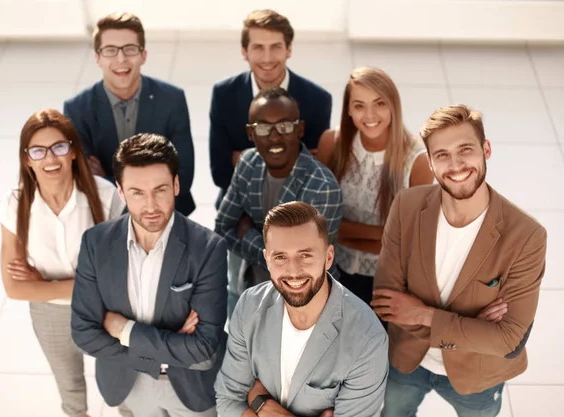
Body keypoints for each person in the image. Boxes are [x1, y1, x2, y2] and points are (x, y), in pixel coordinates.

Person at [371, 104, 547, 417]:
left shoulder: (527, 236)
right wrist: (475, 327)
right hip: (408, 360)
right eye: (442, 155)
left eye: (465, 149)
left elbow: (507, 338)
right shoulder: (407, 206)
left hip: (478, 375)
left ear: (486, 149)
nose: (456, 165)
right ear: (430, 162)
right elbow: (387, 303)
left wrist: (424, 315)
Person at [71, 133, 228, 417]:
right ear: (120, 191)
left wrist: (126, 331)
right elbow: (84, 334)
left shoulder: (208, 249)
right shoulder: (95, 244)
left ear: (176, 185)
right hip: (128, 383)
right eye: (137, 193)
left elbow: (204, 349)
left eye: (160, 189)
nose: (151, 206)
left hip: (191, 389)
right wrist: (167, 347)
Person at [0, 109, 126, 417]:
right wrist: (88, 284)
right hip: (50, 317)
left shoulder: (106, 196)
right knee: (70, 392)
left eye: (59, 147)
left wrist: (42, 284)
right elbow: (14, 287)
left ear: (72, 152)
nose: (50, 159)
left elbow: (119, 277)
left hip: (106, 311)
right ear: (27, 159)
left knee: (122, 388)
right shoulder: (17, 203)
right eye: (38, 151)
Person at [215, 201, 388, 417]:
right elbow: (228, 400)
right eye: (280, 257)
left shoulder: (367, 338)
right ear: (267, 260)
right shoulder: (249, 305)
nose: (293, 271)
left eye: (305, 255)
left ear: (328, 258)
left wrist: (259, 400)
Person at [215, 87, 342, 318]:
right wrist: (280, 254)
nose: (274, 136)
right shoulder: (247, 162)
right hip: (250, 291)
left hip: (307, 306)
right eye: (264, 128)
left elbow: (308, 269)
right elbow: (223, 228)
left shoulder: (323, 187)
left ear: (299, 129)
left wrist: (247, 234)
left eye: (284, 126)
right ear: (250, 133)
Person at [317, 67, 434, 306]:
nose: (370, 115)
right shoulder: (331, 143)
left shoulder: (418, 161)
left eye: (379, 103)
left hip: (387, 278)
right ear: (348, 109)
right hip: (333, 268)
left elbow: (406, 240)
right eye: (359, 105)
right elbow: (318, 221)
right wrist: (380, 234)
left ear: (393, 105)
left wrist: (342, 233)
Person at [64, 12, 196, 216]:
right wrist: (155, 182)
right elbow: (86, 182)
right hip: (107, 214)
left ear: (143, 55)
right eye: (110, 50)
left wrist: (107, 178)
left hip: (168, 211)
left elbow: (184, 176)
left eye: (130, 49)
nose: (121, 59)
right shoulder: (77, 109)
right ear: (97, 57)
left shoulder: (173, 99)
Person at [209, 8, 332, 209]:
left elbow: (310, 177)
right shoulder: (224, 94)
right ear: (244, 51)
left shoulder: (317, 99)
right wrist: (285, 159)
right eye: (258, 47)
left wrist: (244, 159)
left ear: (289, 49)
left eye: (275, 47)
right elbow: (221, 173)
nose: (267, 58)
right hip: (237, 204)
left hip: (294, 206)